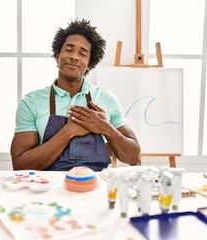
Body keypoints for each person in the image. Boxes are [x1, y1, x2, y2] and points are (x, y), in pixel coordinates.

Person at [11, 19, 141, 171]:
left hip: (95, 188)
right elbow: (20, 166)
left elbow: (133, 157)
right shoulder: (31, 102)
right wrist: (68, 132)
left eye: (83, 53)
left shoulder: (107, 99)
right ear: (58, 54)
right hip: (48, 189)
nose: (74, 56)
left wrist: (105, 127)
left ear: (90, 63)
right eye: (69, 49)